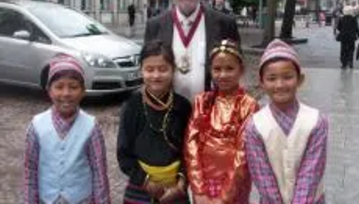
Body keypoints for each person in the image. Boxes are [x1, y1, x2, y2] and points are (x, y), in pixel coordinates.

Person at [244, 39, 328, 204]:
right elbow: (262, 176)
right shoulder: (255, 126)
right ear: (262, 83)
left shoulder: (316, 121)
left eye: (287, 77)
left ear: (300, 79)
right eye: (272, 78)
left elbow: (311, 173)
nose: (280, 85)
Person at [144, 0, 240, 102]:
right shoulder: (154, 25)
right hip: (169, 114)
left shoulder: (225, 23)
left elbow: (236, 68)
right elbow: (149, 69)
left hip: (211, 114)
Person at [23, 55, 111, 204]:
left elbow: (99, 172)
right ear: (49, 91)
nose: (66, 93)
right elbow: (30, 172)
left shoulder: (91, 127)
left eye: (73, 87)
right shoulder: (36, 126)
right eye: (59, 87)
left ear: (83, 91)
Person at [117, 41, 192, 203]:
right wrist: (145, 181)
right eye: (149, 69)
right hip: (140, 185)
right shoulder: (132, 106)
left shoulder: (183, 106)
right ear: (141, 71)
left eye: (163, 69)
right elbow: (123, 153)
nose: (156, 75)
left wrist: (181, 182)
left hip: (176, 187)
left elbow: (190, 150)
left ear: (173, 69)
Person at [185, 39, 259, 203]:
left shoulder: (248, 105)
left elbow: (244, 154)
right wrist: (198, 190)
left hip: (235, 186)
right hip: (203, 184)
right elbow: (191, 145)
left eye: (229, 68)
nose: (223, 74)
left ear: (241, 70)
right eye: (217, 69)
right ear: (210, 70)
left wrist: (224, 197)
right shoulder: (202, 102)